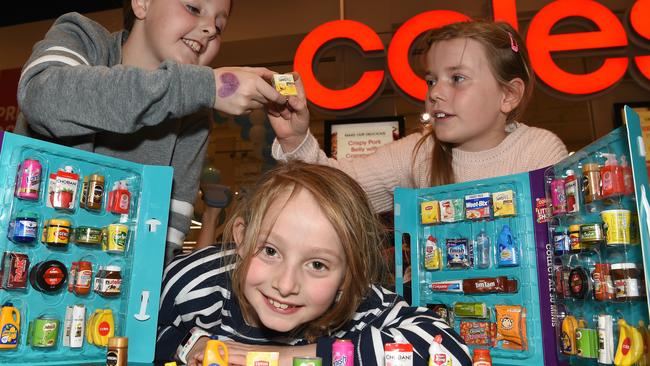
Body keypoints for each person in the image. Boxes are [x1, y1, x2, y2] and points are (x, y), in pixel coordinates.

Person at [15, 0, 288, 262]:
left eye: (219, 26)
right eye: (193, 8)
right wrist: (202, 87)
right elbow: (42, 98)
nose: (209, 29)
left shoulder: (192, 116)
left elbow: (165, 240)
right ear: (142, 2)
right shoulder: (82, 37)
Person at [155, 161, 471, 366]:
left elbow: (448, 349)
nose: (286, 284)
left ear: (348, 276)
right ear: (241, 236)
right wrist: (187, 344)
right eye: (269, 251)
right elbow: (133, 326)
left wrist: (282, 357)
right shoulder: (195, 282)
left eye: (317, 265)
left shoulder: (357, 305)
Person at [267, 19, 569, 213]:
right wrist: (294, 139)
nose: (435, 92)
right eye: (431, 80)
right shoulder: (420, 153)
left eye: (457, 78)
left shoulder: (538, 150)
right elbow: (338, 188)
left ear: (508, 95)